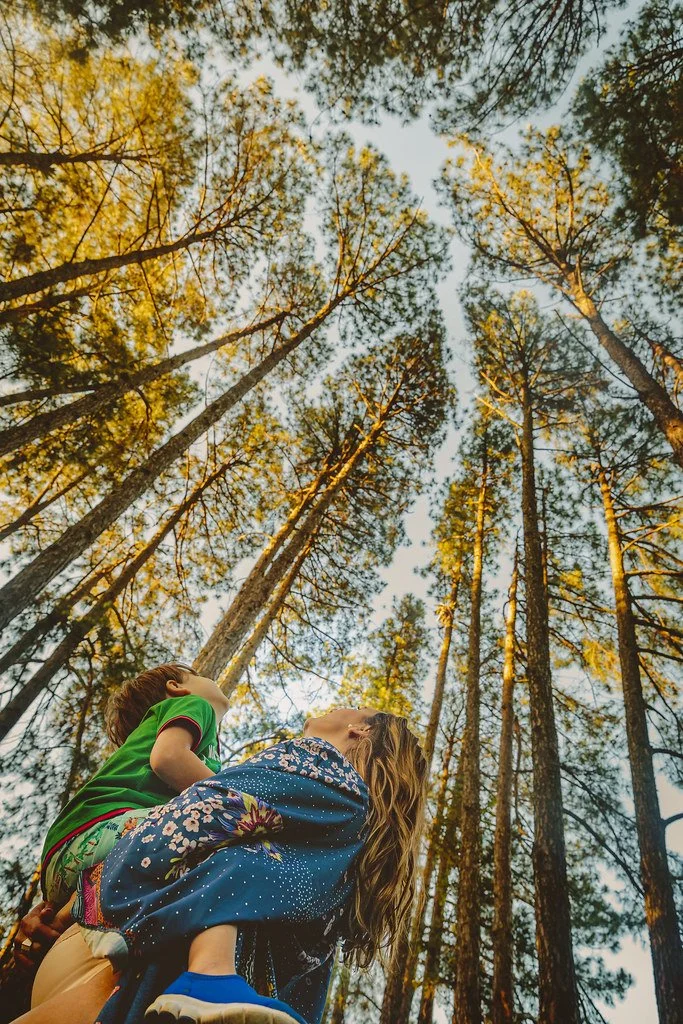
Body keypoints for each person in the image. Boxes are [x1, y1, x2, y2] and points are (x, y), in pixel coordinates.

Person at [16, 707, 427, 1024]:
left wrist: (85, 898)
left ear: (359, 730)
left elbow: (205, 809)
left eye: (348, 708)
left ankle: (210, 975)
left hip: (131, 961)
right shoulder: (349, 853)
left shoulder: (321, 764)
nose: (334, 708)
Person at [14, 663, 229, 972]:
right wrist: (239, 800)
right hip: (110, 829)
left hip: (70, 854)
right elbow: (168, 758)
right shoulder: (195, 705)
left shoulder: (196, 743)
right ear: (176, 687)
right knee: (230, 828)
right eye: (199, 676)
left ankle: (74, 907)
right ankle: (85, 901)